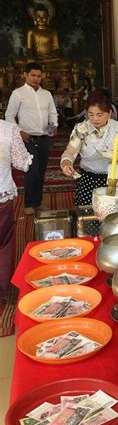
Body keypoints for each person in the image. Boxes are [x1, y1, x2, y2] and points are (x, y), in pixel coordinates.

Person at [60, 90, 118, 205]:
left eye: (99, 115)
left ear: (109, 113)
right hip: (88, 179)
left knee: (111, 214)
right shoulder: (82, 129)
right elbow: (70, 151)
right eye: (91, 114)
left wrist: (117, 155)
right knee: (88, 214)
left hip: (112, 179)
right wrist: (66, 164)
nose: (95, 119)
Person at [5, 62, 58, 215]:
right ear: (25, 75)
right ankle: (28, 203)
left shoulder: (46, 94)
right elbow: (9, 115)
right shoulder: (18, 93)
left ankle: (37, 203)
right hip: (26, 138)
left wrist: (52, 126)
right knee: (32, 169)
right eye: (33, 75)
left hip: (43, 137)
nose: (36, 78)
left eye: (38, 76)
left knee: (41, 171)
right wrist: (19, 132)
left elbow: (53, 114)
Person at [0, 120, 32, 302]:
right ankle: (2, 292)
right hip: (1, 193)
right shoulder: (7, 129)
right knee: (3, 242)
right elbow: (22, 163)